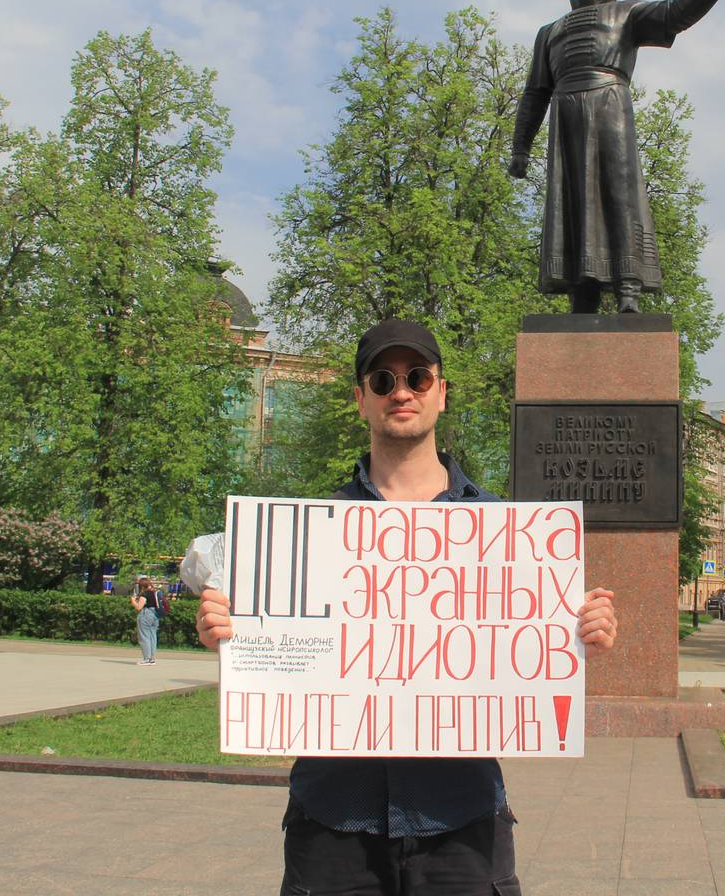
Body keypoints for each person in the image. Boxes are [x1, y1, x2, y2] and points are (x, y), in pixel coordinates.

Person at [195, 319, 619, 896]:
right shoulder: (305, 533)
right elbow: (271, 647)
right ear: (361, 399)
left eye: (418, 376)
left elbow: (532, 653)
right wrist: (228, 631)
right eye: (383, 378)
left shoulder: (504, 532)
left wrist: (582, 632)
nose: (402, 390)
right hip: (332, 821)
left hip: (461, 819)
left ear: (440, 393)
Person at [509, 0, 725, 313]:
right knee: (571, 200)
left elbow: (677, 12)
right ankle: (584, 289)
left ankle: (629, 287)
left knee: (618, 193)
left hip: (609, 104)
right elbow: (535, 92)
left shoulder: (626, 13)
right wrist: (520, 147)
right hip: (566, 117)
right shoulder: (549, 31)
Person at [130, 577, 159, 665]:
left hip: (146, 614)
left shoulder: (145, 594)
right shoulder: (154, 593)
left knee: (144, 636)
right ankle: (152, 658)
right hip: (155, 615)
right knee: (152, 636)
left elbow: (139, 607)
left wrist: (133, 601)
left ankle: (147, 658)